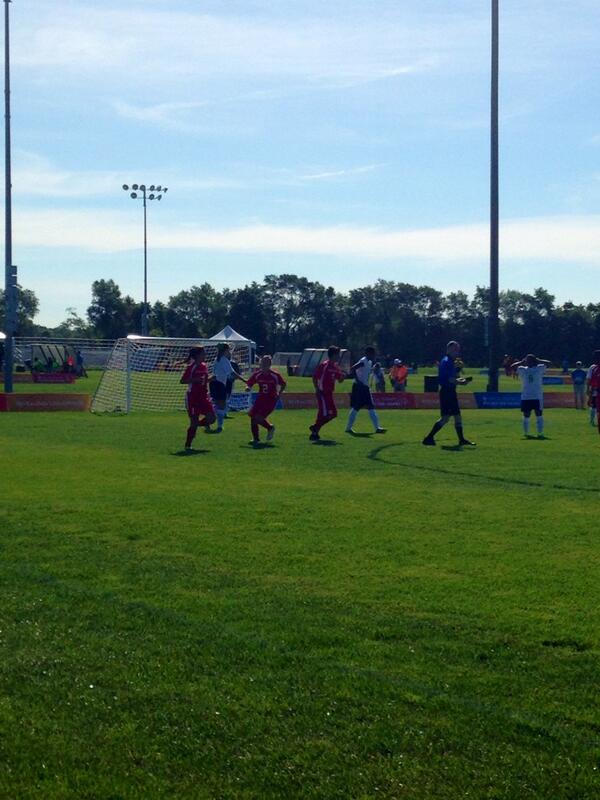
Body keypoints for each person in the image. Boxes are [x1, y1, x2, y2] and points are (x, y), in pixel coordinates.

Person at [422, 341, 475, 447]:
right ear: (449, 350)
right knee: (445, 418)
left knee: (457, 416)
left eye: (458, 349)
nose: (457, 352)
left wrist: (461, 378)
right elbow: (450, 379)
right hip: (447, 392)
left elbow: (454, 377)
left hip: (450, 391)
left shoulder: (450, 361)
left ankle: (461, 440)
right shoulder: (447, 362)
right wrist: (462, 382)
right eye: (455, 349)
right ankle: (429, 438)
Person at [180, 347, 216, 449]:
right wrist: (195, 379)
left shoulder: (204, 366)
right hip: (193, 398)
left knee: (212, 418)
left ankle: (198, 424)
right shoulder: (192, 367)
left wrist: (210, 379)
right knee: (193, 423)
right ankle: (188, 445)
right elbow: (182, 381)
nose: (205, 355)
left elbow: (203, 381)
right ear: (197, 355)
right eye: (203, 353)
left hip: (203, 397)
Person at [345, 346, 386, 435]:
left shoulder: (370, 362)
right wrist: (358, 380)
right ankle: (349, 428)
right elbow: (353, 368)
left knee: (366, 406)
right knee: (359, 407)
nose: (374, 356)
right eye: (373, 354)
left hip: (364, 387)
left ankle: (377, 428)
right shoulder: (363, 361)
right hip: (360, 387)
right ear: (369, 353)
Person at [245, 355, 286, 445]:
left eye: (265, 363)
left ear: (269, 364)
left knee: (258, 418)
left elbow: (283, 384)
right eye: (262, 363)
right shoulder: (257, 374)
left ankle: (270, 427)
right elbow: (250, 382)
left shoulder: (275, 375)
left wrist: (279, 393)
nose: (263, 365)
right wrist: (248, 387)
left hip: (270, 400)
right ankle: (256, 439)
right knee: (252, 417)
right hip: (260, 399)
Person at [309, 346, 346, 441]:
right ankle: (315, 431)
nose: (339, 356)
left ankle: (315, 428)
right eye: (338, 354)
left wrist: (343, 376)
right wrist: (317, 389)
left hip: (329, 394)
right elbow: (315, 377)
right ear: (333, 355)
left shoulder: (335, 366)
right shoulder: (324, 365)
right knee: (324, 414)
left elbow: (340, 380)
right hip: (322, 393)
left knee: (333, 414)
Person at [512, 353, 552, 438]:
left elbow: (550, 363)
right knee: (526, 415)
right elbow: (512, 367)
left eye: (530, 361)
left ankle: (540, 433)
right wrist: (521, 362)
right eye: (527, 361)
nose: (528, 362)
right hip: (526, 396)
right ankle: (526, 433)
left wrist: (539, 360)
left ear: (534, 361)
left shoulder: (539, 368)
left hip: (537, 396)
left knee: (539, 414)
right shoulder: (522, 369)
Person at [210, 343, 247, 432]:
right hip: (219, 384)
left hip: (213, 384)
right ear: (225, 351)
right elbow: (232, 373)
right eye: (228, 350)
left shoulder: (216, 359)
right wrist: (244, 380)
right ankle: (219, 426)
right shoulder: (224, 360)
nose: (230, 352)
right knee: (221, 406)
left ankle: (209, 422)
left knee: (217, 405)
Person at [587, 353, 600, 426]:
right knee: (594, 405)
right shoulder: (593, 367)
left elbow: (589, 379)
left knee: (594, 405)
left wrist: (588, 388)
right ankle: (592, 420)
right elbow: (589, 379)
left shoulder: (593, 367)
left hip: (595, 389)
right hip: (595, 389)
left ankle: (592, 421)